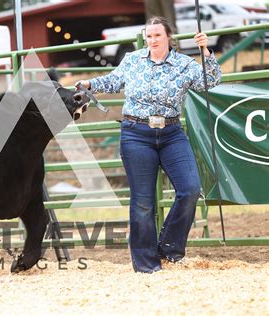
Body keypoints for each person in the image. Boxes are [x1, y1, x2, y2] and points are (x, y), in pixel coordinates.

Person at [76, 16, 221, 273]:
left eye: (157, 35)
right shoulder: (132, 60)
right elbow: (113, 80)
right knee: (143, 201)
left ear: (168, 37)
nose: (152, 40)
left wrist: (205, 51)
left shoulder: (184, 64)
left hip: (171, 132)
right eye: (149, 36)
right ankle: (146, 264)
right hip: (136, 133)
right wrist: (89, 84)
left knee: (190, 189)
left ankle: (169, 250)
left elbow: (210, 82)